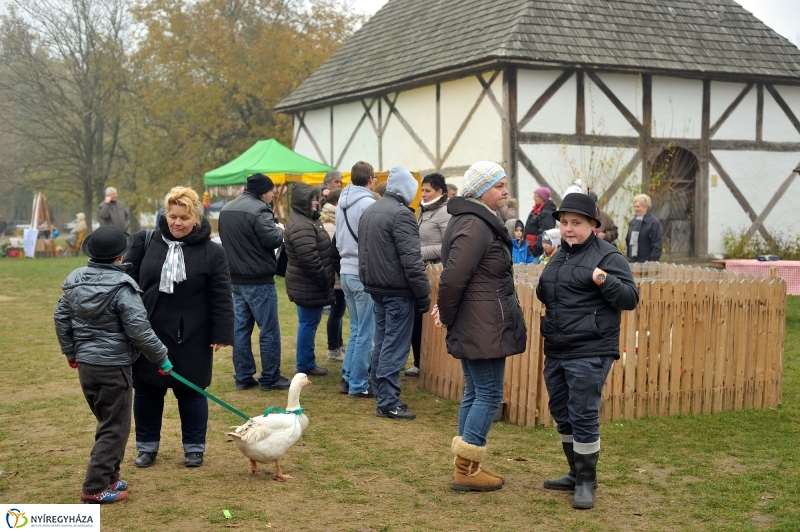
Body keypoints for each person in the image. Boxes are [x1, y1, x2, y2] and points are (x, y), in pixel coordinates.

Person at [55, 225, 173, 503]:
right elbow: (140, 330)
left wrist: (71, 352)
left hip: (87, 366)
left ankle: (110, 477)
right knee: (115, 427)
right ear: (121, 257)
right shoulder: (123, 287)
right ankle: (95, 488)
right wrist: (162, 358)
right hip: (113, 367)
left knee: (109, 423)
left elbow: (61, 317)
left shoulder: (74, 280)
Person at [536, 192, 639, 509]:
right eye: (565, 222)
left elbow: (629, 298)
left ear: (592, 224)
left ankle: (586, 482)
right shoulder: (559, 255)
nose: (568, 228)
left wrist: (603, 280)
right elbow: (547, 292)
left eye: (576, 223)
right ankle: (573, 472)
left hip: (591, 349)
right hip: (557, 346)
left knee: (582, 414)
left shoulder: (607, 256)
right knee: (562, 413)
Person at [433, 161, 527, 492]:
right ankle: (467, 471)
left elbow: (458, 277)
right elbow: (454, 277)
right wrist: (445, 312)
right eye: (500, 185)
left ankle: (468, 465)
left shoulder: (474, 222)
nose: (506, 191)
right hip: (482, 323)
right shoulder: (474, 225)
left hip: (478, 320)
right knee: (487, 393)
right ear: (482, 189)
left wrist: (446, 310)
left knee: (475, 392)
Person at [126, 186, 234, 469]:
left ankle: (194, 448)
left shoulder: (213, 252)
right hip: (149, 332)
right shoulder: (145, 242)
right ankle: (147, 447)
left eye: (184, 218)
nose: (177, 222)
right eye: (172, 216)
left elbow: (221, 294)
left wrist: (222, 331)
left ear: (196, 218)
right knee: (148, 391)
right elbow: (126, 285)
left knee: (193, 392)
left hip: (194, 335)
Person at [359, 166, 431, 419]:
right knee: (394, 346)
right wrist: (424, 296)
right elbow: (412, 261)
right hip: (397, 290)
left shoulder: (371, 209)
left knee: (382, 342)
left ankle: (381, 394)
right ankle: (388, 401)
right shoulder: (401, 215)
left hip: (376, 287)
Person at [218, 174, 289, 391]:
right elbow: (273, 239)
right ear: (262, 192)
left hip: (235, 278)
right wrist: (280, 230)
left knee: (241, 329)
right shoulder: (260, 209)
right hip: (258, 279)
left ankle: (243, 376)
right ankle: (270, 377)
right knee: (268, 329)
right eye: (271, 191)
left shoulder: (227, 209)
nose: (273, 194)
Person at [284, 182, 335, 377]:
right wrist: (324, 279)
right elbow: (310, 259)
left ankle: (306, 361)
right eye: (313, 199)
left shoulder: (305, 220)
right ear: (304, 202)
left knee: (308, 323)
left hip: (308, 283)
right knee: (308, 323)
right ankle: (305, 364)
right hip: (309, 284)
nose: (316, 202)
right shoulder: (301, 224)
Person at [336, 161, 377, 398]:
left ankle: (348, 376)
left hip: (345, 269)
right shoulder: (368, 204)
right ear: (370, 179)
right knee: (365, 331)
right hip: (362, 271)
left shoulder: (341, 203)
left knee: (356, 328)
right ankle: (358, 384)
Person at [407, 172, 451, 378]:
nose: (423, 194)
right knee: (417, 319)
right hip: (420, 271)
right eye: (422, 190)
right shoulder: (424, 211)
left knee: (430, 317)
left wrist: (419, 252)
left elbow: (447, 246)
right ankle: (417, 361)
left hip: (436, 271)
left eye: (427, 191)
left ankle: (429, 363)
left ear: (439, 192)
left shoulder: (445, 213)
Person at [320, 188, 347, 363]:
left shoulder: (330, 222)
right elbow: (333, 253)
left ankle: (337, 345)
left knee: (338, 311)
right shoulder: (331, 226)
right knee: (336, 312)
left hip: (335, 275)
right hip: (336, 276)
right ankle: (333, 348)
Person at [625, 193, 662, 263]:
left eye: (638, 207)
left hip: (647, 263)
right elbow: (628, 240)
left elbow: (656, 245)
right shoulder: (633, 222)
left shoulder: (653, 223)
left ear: (646, 207)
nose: (636, 209)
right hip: (633, 262)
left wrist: (652, 263)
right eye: (635, 207)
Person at [524, 187, 557, 257]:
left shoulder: (546, 213)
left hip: (538, 251)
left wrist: (537, 248)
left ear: (543, 198)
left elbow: (546, 232)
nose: (534, 198)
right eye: (534, 196)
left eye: (537, 196)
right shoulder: (535, 211)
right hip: (530, 247)